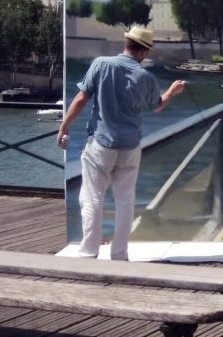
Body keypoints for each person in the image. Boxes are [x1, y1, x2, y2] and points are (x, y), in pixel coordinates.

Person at [57, 26, 187, 260]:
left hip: (100, 144)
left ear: (125, 43)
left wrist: (64, 126)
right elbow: (157, 106)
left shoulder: (100, 64)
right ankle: (119, 253)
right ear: (144, 52)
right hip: (130, 147)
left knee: (92, 198)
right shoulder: (146, 77)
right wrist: (172, 91)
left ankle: (88, 252)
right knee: (125, 201)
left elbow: (81, 98)